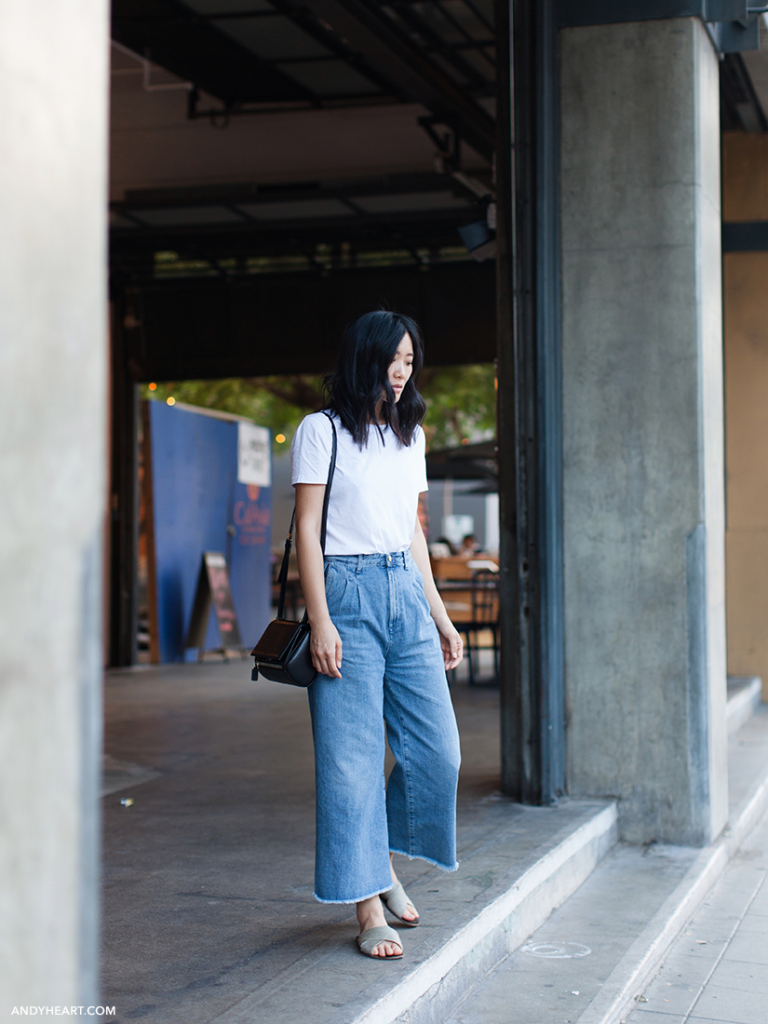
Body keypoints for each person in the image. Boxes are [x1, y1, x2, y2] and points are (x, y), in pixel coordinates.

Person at [291, 310, 463, 960]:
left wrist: (440, 616)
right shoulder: (321, 431)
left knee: (437, 751)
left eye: (410, 361)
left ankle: (380, 861)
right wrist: (324, 621)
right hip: (346, 592)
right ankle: (367, 908)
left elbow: (412, 531)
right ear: (365, 357)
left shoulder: (408, 436)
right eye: (393, 359)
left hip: (403, 593)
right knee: (351, 760)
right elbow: (308, 528)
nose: (401, 370)